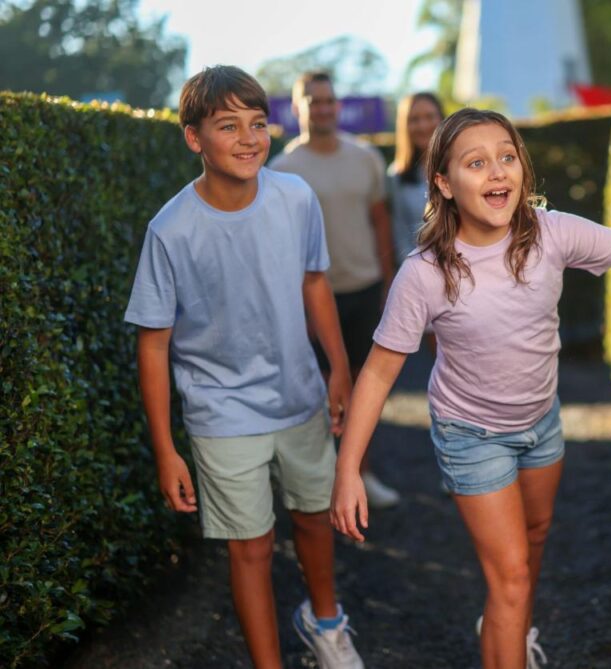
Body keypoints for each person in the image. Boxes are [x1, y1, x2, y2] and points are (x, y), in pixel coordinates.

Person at [329, 107, 611, 668]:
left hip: (541, 422)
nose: (497, 173)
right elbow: (376, 372)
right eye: (476, 162)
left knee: (533, 540)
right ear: (444, 183)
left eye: (506, 157)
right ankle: (508, 620)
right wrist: (348, 470)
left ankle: (509, 626)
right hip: (471, 435)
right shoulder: (424, 273)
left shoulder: (551, 232)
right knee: (512, 577)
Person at [124, 65, 364, 669]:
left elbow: (315, 283)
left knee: (314, 521)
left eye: (257, 123)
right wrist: (165, 449)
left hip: (300, 397)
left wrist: (339, 368)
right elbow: (153, 345)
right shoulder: (170, 230)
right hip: (219, 413)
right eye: (228, 125)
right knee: (251, 550)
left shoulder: (295, 197)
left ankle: (326, 624)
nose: (248, 138)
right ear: (194, 138)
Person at [270, 71, 400, 509]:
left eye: (328, 100)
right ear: (297, 107)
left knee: (366, 387)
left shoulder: (364, 158)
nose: (322, 107)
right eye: (313, 100)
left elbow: (380, 223)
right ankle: (325, 482)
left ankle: (362, 476)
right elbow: (281, 247)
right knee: (324, 391)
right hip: (313, 299)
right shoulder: (282, 170)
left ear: (336, 105)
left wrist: (387, 283)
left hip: (364, 286)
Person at [388, 91, 445, 264]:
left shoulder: (463, 165)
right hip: (421, 272)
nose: (423, 125)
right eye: (414, 119)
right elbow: (400, 233)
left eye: (429, 116)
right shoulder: (396, 176)